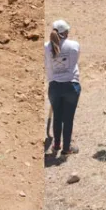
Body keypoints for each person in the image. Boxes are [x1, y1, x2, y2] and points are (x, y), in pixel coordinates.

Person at [45, 20, 81, 155]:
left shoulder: (45, 47)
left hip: (54, 86)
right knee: (68, 118)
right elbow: (76, 61)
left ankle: (56, 145)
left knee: (57, 117)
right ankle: (66, 148)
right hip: (71, 85)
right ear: (66, 32)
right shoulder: (74, 45)